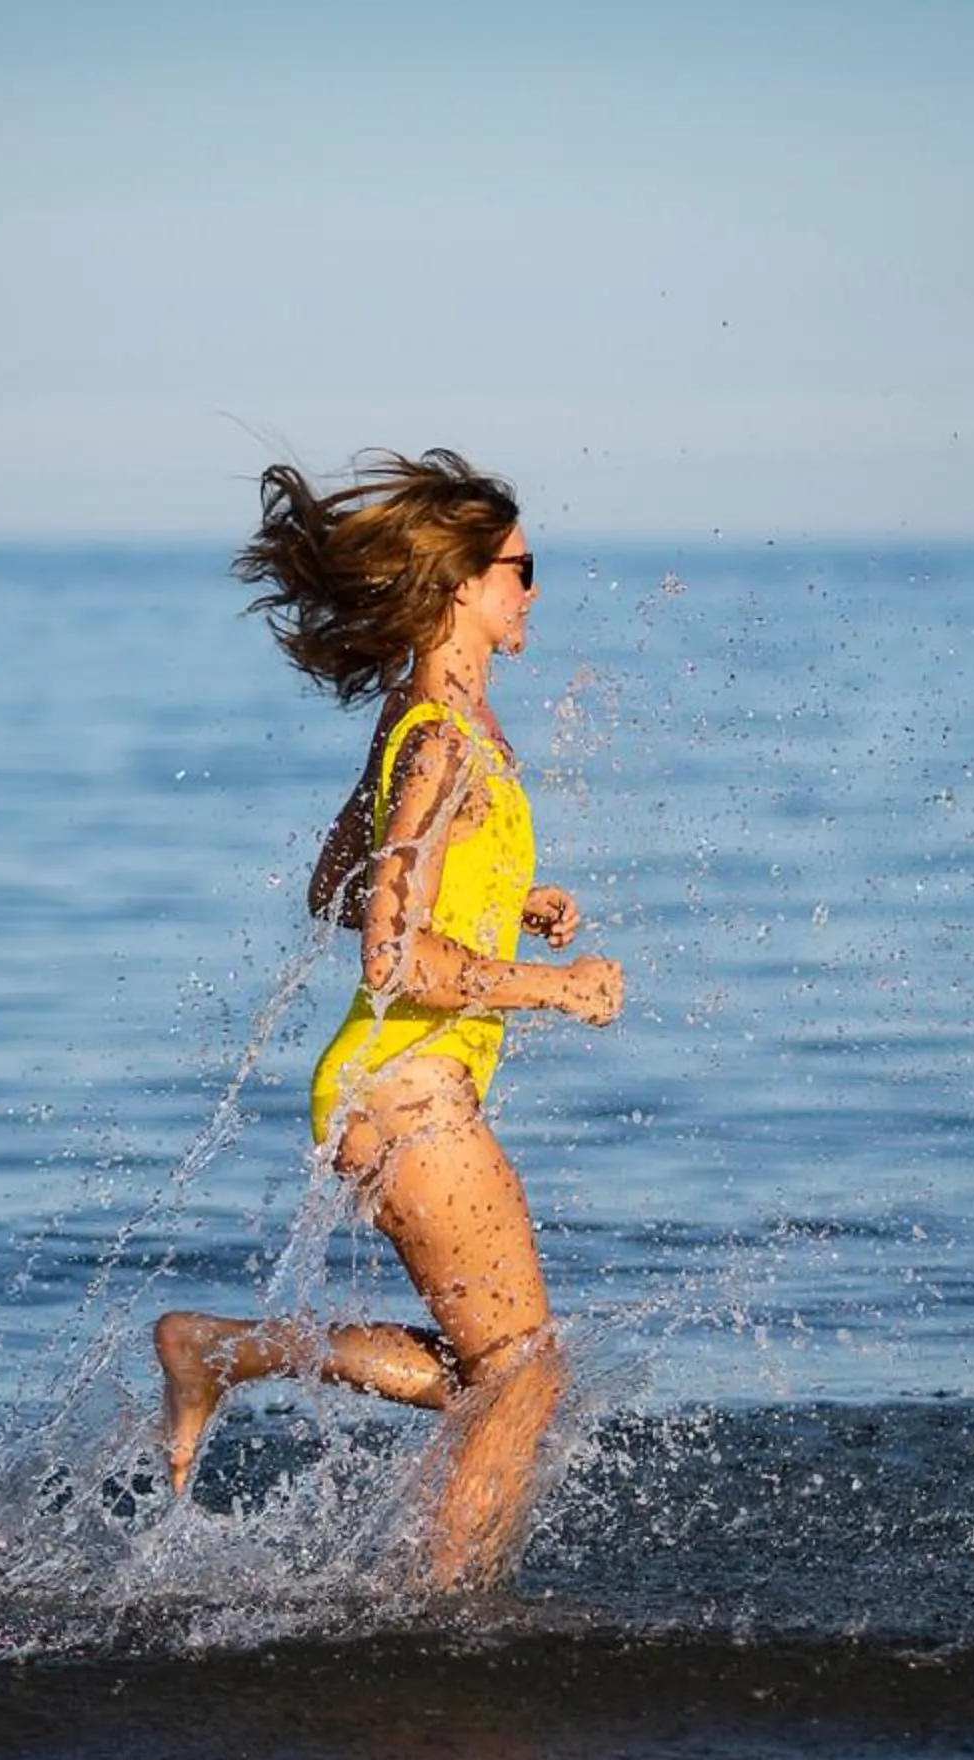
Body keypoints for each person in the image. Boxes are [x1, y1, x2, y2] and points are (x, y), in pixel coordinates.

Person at [153, 449, 624, 1588]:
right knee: (526, 1377)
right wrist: (548, 987)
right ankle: (443, 1612)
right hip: (404, 1083)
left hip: (393, 1080)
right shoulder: (445, 738)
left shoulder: (428, 722)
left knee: (492, 1375)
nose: (532, 592)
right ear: (462, 581)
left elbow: (338, 884)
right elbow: (392, 945)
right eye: (521, 568)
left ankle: (219, 1351)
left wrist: (510, 901)